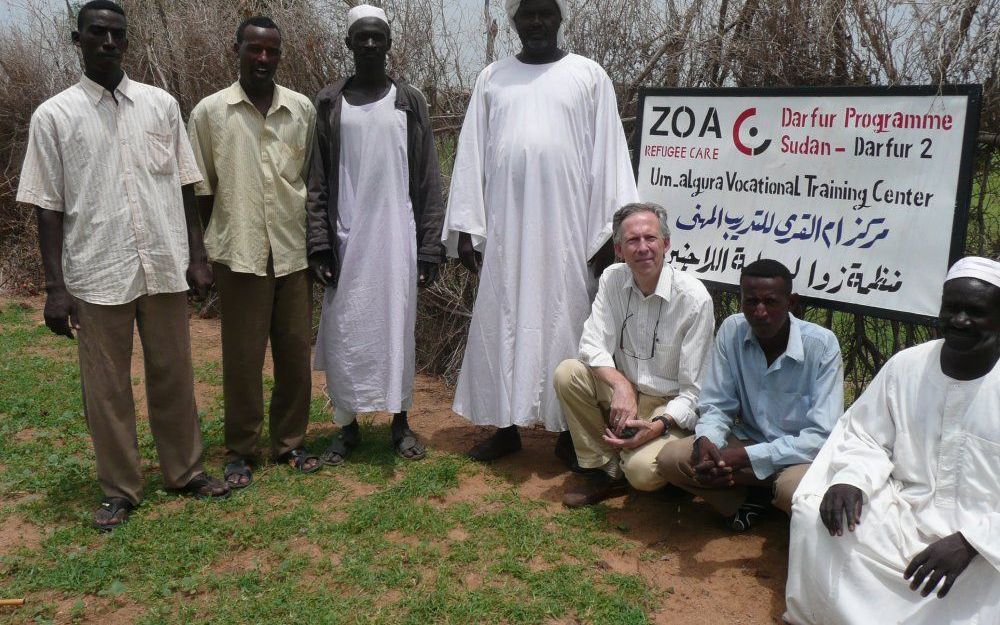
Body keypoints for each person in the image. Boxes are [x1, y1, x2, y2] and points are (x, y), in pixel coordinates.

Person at [16, 0, 229, 530]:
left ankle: (185, 471)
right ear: (78, 40)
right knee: (106, 389)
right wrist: (54, 288)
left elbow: (185, 183)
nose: (108, 43)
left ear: (127, 41)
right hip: (96, 268)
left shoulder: (160, 105)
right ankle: (120, 488)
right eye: (97, 34)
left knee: (173, 374)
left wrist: (197, 256)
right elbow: (47, 205)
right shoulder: (55, 116)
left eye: (117, 35)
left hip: (162, 262)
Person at [442, 0, 639, 462]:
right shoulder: (492, 78)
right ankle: (505, 426)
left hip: (568, 231)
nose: (535, 22)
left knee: (566, 322)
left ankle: (569, 432)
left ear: (559, 18)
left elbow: (609, 158)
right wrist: (470, 228)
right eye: (526, 13)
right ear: (513, 22)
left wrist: (609, 233)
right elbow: (472, 153)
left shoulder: (590, 76)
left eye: (544, 12)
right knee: (502, 320)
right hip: (508, 230)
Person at [785, 256, 1000, 625]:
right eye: (952, 308)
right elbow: (866, 435)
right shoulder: (907, 366)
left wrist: (971, 542)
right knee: (813, 513)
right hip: (905, 512)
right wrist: (851, 478)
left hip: (985, 537)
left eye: (975, 311)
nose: (959, 320)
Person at [306, 5, 445, 463]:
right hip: (347, 239)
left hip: (397, 237)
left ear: (388, 43)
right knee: (344, 330)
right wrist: (320, 243)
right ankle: (345, 429)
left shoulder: (408, 100)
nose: (369, 45)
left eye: (377, 37)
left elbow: (427, 177)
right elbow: (318, 181)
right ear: (348, 43)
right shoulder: (329, 102)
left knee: (397, 329)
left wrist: (429, 247)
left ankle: (400, 423)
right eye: (360, 38)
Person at [187, 16, 319, 488]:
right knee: (242, 360)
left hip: (292, 252)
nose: (263, 58)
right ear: (236, 50)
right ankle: (241, 450)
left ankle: (290, 443)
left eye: (271, 51)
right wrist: (198, 256)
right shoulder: (210, 113)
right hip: (238, 252)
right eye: (254, 49)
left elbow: (310, 182)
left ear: (280, 55)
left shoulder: (301, 110)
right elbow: (198, 190)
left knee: (294, 354)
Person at [657, 259, 843, 531]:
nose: (760, 312)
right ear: (740, 300)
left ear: (791, 303)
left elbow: (820, 438)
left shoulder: (821, 346)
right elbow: (717, 405)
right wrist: (707, 439)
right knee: (672, 459)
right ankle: (745, 500)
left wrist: (745, 457)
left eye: (770, 302)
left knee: (794, 491)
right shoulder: (732, 330)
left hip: (798, 456)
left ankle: (766, 494)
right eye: (751, 301)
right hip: (747, 441)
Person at [554, 203, 714, 507]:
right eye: (632, 240)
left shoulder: (694, 300)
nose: (643, 248)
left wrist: (658, 425)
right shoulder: (612, 279)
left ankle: (641, 458)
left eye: (650, 238)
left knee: (641, 474)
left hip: (667, 408)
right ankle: (605, 467)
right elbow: (591, 344)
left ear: (666, 244)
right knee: (568, 373)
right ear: (618, 249)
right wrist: (621, 385)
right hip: (625, 395)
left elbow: (695, 392)